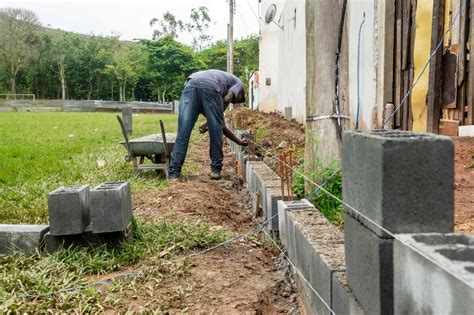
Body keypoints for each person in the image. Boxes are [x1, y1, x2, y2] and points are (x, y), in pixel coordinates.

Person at [169, 69, 248, 181]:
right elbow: (227, 98)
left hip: (190, 84)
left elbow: (222, 126)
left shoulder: (221, 80)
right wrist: (218, 116)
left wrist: (238, 141)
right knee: (215, 132)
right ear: (240, 94)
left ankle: (174, 174)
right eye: (236, 100)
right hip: (209, 86)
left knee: (183, 132)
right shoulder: (238, 83)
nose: (233, 102)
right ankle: (216, 170)